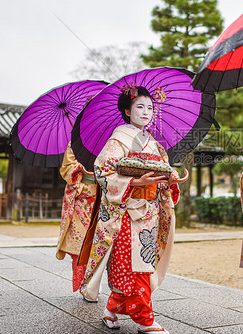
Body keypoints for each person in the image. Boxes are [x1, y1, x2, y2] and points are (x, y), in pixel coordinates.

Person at [79, 86, 180, 334]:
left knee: (138, 261)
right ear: (127, 110)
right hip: (127, 211)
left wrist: (170, 178)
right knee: (135, 264)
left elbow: (162, 170)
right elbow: (103, 172)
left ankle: (111, 310)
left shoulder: (153, 143)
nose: (146, 112)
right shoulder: (118, 140)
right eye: (140, 107)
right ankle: (145, 318)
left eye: (150, 108)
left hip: (150, 210)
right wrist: (136, 182)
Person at [56, 142, 97, 300]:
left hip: (101, 197)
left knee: (98, 243)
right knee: (79, 244)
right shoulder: (75, 142)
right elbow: (66, 166)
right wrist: (79, 167)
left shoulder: (107, 141)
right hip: (80, 198)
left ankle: (95, 281)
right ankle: (84, 284)